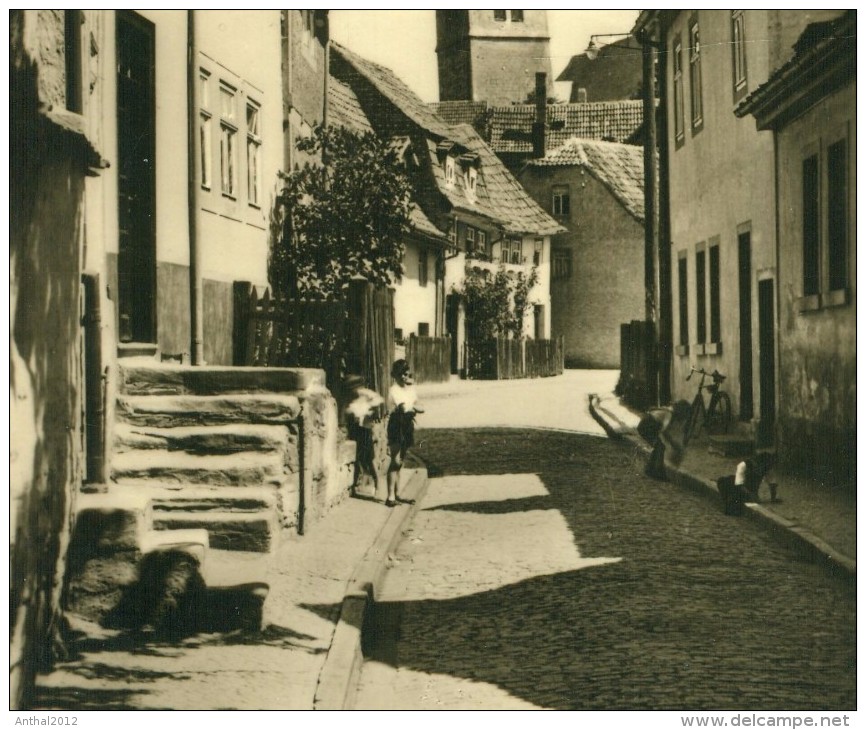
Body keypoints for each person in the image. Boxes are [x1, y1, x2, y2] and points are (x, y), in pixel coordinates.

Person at [385, 359, 424, 507]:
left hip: (407, 424)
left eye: (406, 374)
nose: (404, 377)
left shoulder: (411, 390)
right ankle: (390, 497)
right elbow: (400, 407)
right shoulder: (393, 390)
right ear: (395, 375)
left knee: (400, 460)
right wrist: (412, 408)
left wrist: (415, 408)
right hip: (396, 424)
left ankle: (397, 493)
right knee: (394, 460)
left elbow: (419, 406)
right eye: (401, 374)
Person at [343, 374, 384, 498]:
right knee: (357, 459)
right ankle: (355, 486)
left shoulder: (364, 394)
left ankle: (378, 484)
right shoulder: (351, 398)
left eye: (354, 387)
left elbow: (379, 399)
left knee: (369, 459)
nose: (353, 390)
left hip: (365, 430)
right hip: (355, 430)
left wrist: (370, 409)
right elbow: (348, 412)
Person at [637, 400, 691, 480]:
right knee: (660, 447)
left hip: (646, 424)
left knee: (659, 446)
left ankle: (650, 469)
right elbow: (664, 431)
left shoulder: (668, 410)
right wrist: (672, 443)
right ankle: (657, 472)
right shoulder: (669, 414)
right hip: (647, 426)